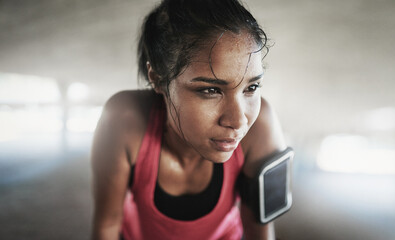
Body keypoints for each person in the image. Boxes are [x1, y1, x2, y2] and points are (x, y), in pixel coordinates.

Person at [91, 0, 288, 239]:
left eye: (252, 87)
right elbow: (107, 226)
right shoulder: (124, 121)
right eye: (210, 90)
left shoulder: (261, 127)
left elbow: (260, 232)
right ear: (158, 78)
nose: (238, 121)